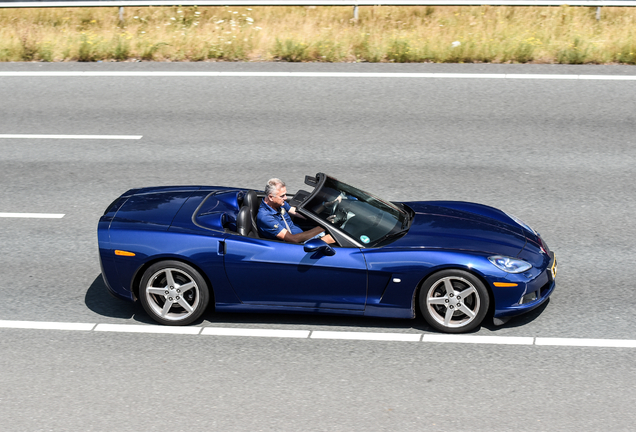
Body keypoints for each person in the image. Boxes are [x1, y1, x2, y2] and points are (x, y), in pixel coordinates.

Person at [257, 178, 335, 244]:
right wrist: (324, 227)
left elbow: (298, 213)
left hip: (302, 236)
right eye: (282, 196)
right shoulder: (265, 217)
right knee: (332, 238)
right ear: (271, 197)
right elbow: (293, 239)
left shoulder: (278, 204)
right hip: (297, 245)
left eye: (285, 194)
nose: (285, 198)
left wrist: (324, 206)